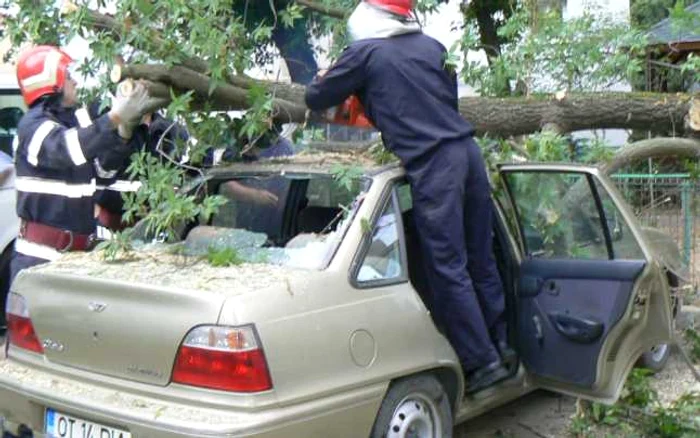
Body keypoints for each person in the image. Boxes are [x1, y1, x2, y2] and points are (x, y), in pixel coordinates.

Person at [305, 0, 512, 393]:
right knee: (480, 258)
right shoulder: (433, 47)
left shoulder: (364, 52)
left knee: (447, 267)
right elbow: (442, 104)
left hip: (434, 165)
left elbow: (316, 97)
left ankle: (482, 363)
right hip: (467, 152)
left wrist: (329, 76)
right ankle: (501, 346)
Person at [11, 45, 154, 279]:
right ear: (51, 83)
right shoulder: (32, 126)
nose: (75, 82)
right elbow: (67, 148)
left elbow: (103, 173)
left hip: (77, 258)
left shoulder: (72, 122)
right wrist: (114, 116)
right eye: (68, 76)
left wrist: (124, 132)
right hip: (39, 260)